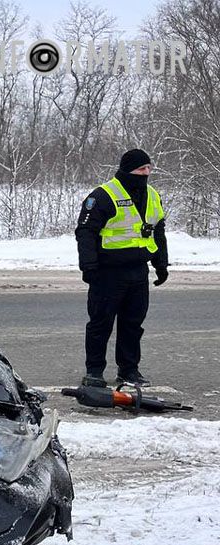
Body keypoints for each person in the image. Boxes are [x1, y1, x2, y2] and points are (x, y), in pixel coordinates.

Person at [75, 148, 169, 387]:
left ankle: (129, 371)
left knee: (132, 325)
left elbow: (157, 231)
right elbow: (86, 232)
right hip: (108, 272)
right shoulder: (103, 195)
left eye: (149, 168)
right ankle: (94, 372)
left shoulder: (152, 195)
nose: (146, 173)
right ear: (128, 170)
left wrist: (160, 264)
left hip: (138, 272)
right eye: (141, 169)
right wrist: (89, 267)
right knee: (100, 324)